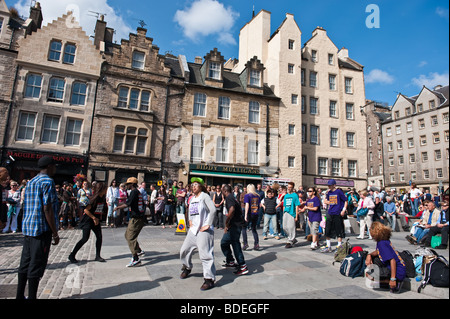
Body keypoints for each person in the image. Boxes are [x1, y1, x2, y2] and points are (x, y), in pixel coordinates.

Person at [16, 156, 59, 299]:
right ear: (49, 166)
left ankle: (19, 295)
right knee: (36, 265)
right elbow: (48, 209)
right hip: (41, 229)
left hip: (28, 228)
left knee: (25, 264)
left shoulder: (31, 181)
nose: (55, 168)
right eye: (54, 166)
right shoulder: (48, 181)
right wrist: (54, 232)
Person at [179, 177, 217, 291]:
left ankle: (209, 279)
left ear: (201, 186)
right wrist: (190, 220)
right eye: (192, 185)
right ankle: (187, 267)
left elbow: (213, 210)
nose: (193, 186)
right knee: (184, 250)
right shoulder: (191, 198)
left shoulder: (204, 196)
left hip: (204, 230)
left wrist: (208, 224)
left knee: (205, 254)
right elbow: (190, 210)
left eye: (196, 184)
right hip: (193, 230)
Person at [69, 182, 107, 263]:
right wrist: (94, 218)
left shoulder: (102, 197)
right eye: (105, 188)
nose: (106, 190)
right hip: (88, 220)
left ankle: (97, 256)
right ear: (101, 189)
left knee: (99, 237)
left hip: (95, 220)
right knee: (85, 238)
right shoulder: (95, 199)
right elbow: (86, 210)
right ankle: (72, 255)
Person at [114, 177, 146, 267]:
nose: (126, 186)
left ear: (132, 184)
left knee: (130, 238)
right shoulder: (136, 192)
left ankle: (136, 258)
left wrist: (117, 207)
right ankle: (138, 250)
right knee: (127, 235)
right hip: (136, 217)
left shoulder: (134, 192)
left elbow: (127, 204)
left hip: (136, 218)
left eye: (128, 184)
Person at [365, 222, 406, 293]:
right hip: (398, 268)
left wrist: (393, 279)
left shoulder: (382, 244)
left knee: (369, 274)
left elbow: (392, 260)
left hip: (398, 272)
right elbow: (378, 252)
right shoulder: (383, 240)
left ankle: (392, 282)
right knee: (375, 259)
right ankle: (386, 281)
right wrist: (369, 255)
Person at [220, 184, 248, 275]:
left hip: (235, 225)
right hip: (235, 224)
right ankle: (230, 261)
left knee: (235, 244)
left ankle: (242, 265)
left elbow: (231, 209)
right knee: (224, 242)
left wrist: (227, 222)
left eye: (222, 191)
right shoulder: (232, 197)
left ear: (225, 191)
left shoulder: (229, 198)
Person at [321, 179, 348, 253]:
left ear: (334, 185)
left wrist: (343, 210)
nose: (329, 186)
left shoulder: (339, 192)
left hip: (337, 212)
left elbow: (345, 200)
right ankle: (328, 246)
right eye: (328, 185)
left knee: (338, 229)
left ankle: (339, 245)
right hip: (330, 212)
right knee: (328, 229)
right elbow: (325, 201)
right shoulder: (329, 192)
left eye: (330, 185)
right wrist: (328, 201)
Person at [242, 184, 261, 250]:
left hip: (250, 213)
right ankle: (256, 243)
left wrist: (245, 215)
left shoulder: (247, 195)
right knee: (254, 229)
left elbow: (247, 205)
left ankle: (245, 243)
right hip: (256, 213)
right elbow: (259, 205)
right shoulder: (258, 196)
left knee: (244, 228)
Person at [282, 182, 300, 248]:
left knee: (291, 227)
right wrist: (283, 213)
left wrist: (296, 216)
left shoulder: (295, 195)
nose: (289, 188)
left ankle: (289, 241)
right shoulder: (286, 196)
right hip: (286, 212)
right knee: (284, 227)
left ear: (292, 188)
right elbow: (284, 205)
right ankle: (293, 239)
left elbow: (297, 205)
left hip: (292, 213)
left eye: (290, 187)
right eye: (288, 187)